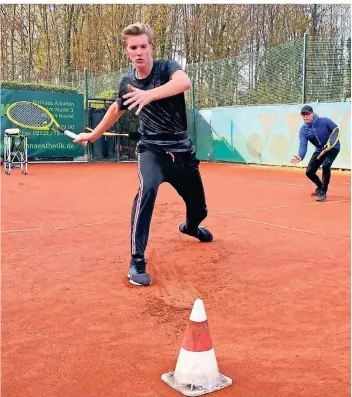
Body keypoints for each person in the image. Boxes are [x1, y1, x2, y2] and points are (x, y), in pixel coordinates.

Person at [73, 23, 213, 286]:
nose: (139, 52)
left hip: (182, 152)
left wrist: (149, 95)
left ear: (151, 47)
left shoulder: (167, 67)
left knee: (200, 209)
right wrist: (93, 135)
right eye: (133, 47)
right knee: (147, 189)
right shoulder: (126, 83)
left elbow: (184, 82)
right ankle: (137, 259)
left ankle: (191, 227)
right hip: (152, 151)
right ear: (127, 51)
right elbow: (116, 109)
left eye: (143, 46)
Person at [290, 105, 340, 202]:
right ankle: (320, 186)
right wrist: (300, 156)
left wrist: (331, 143)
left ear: (312, 114)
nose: (305, 117)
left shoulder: (324, 121)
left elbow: (336, 130)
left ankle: (323, 192)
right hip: (319, 150)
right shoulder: (303, 130)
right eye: (303, 115)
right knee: (309, 172)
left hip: (333, 148)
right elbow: (303, 144)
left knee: (326, 166)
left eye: (307, 114)